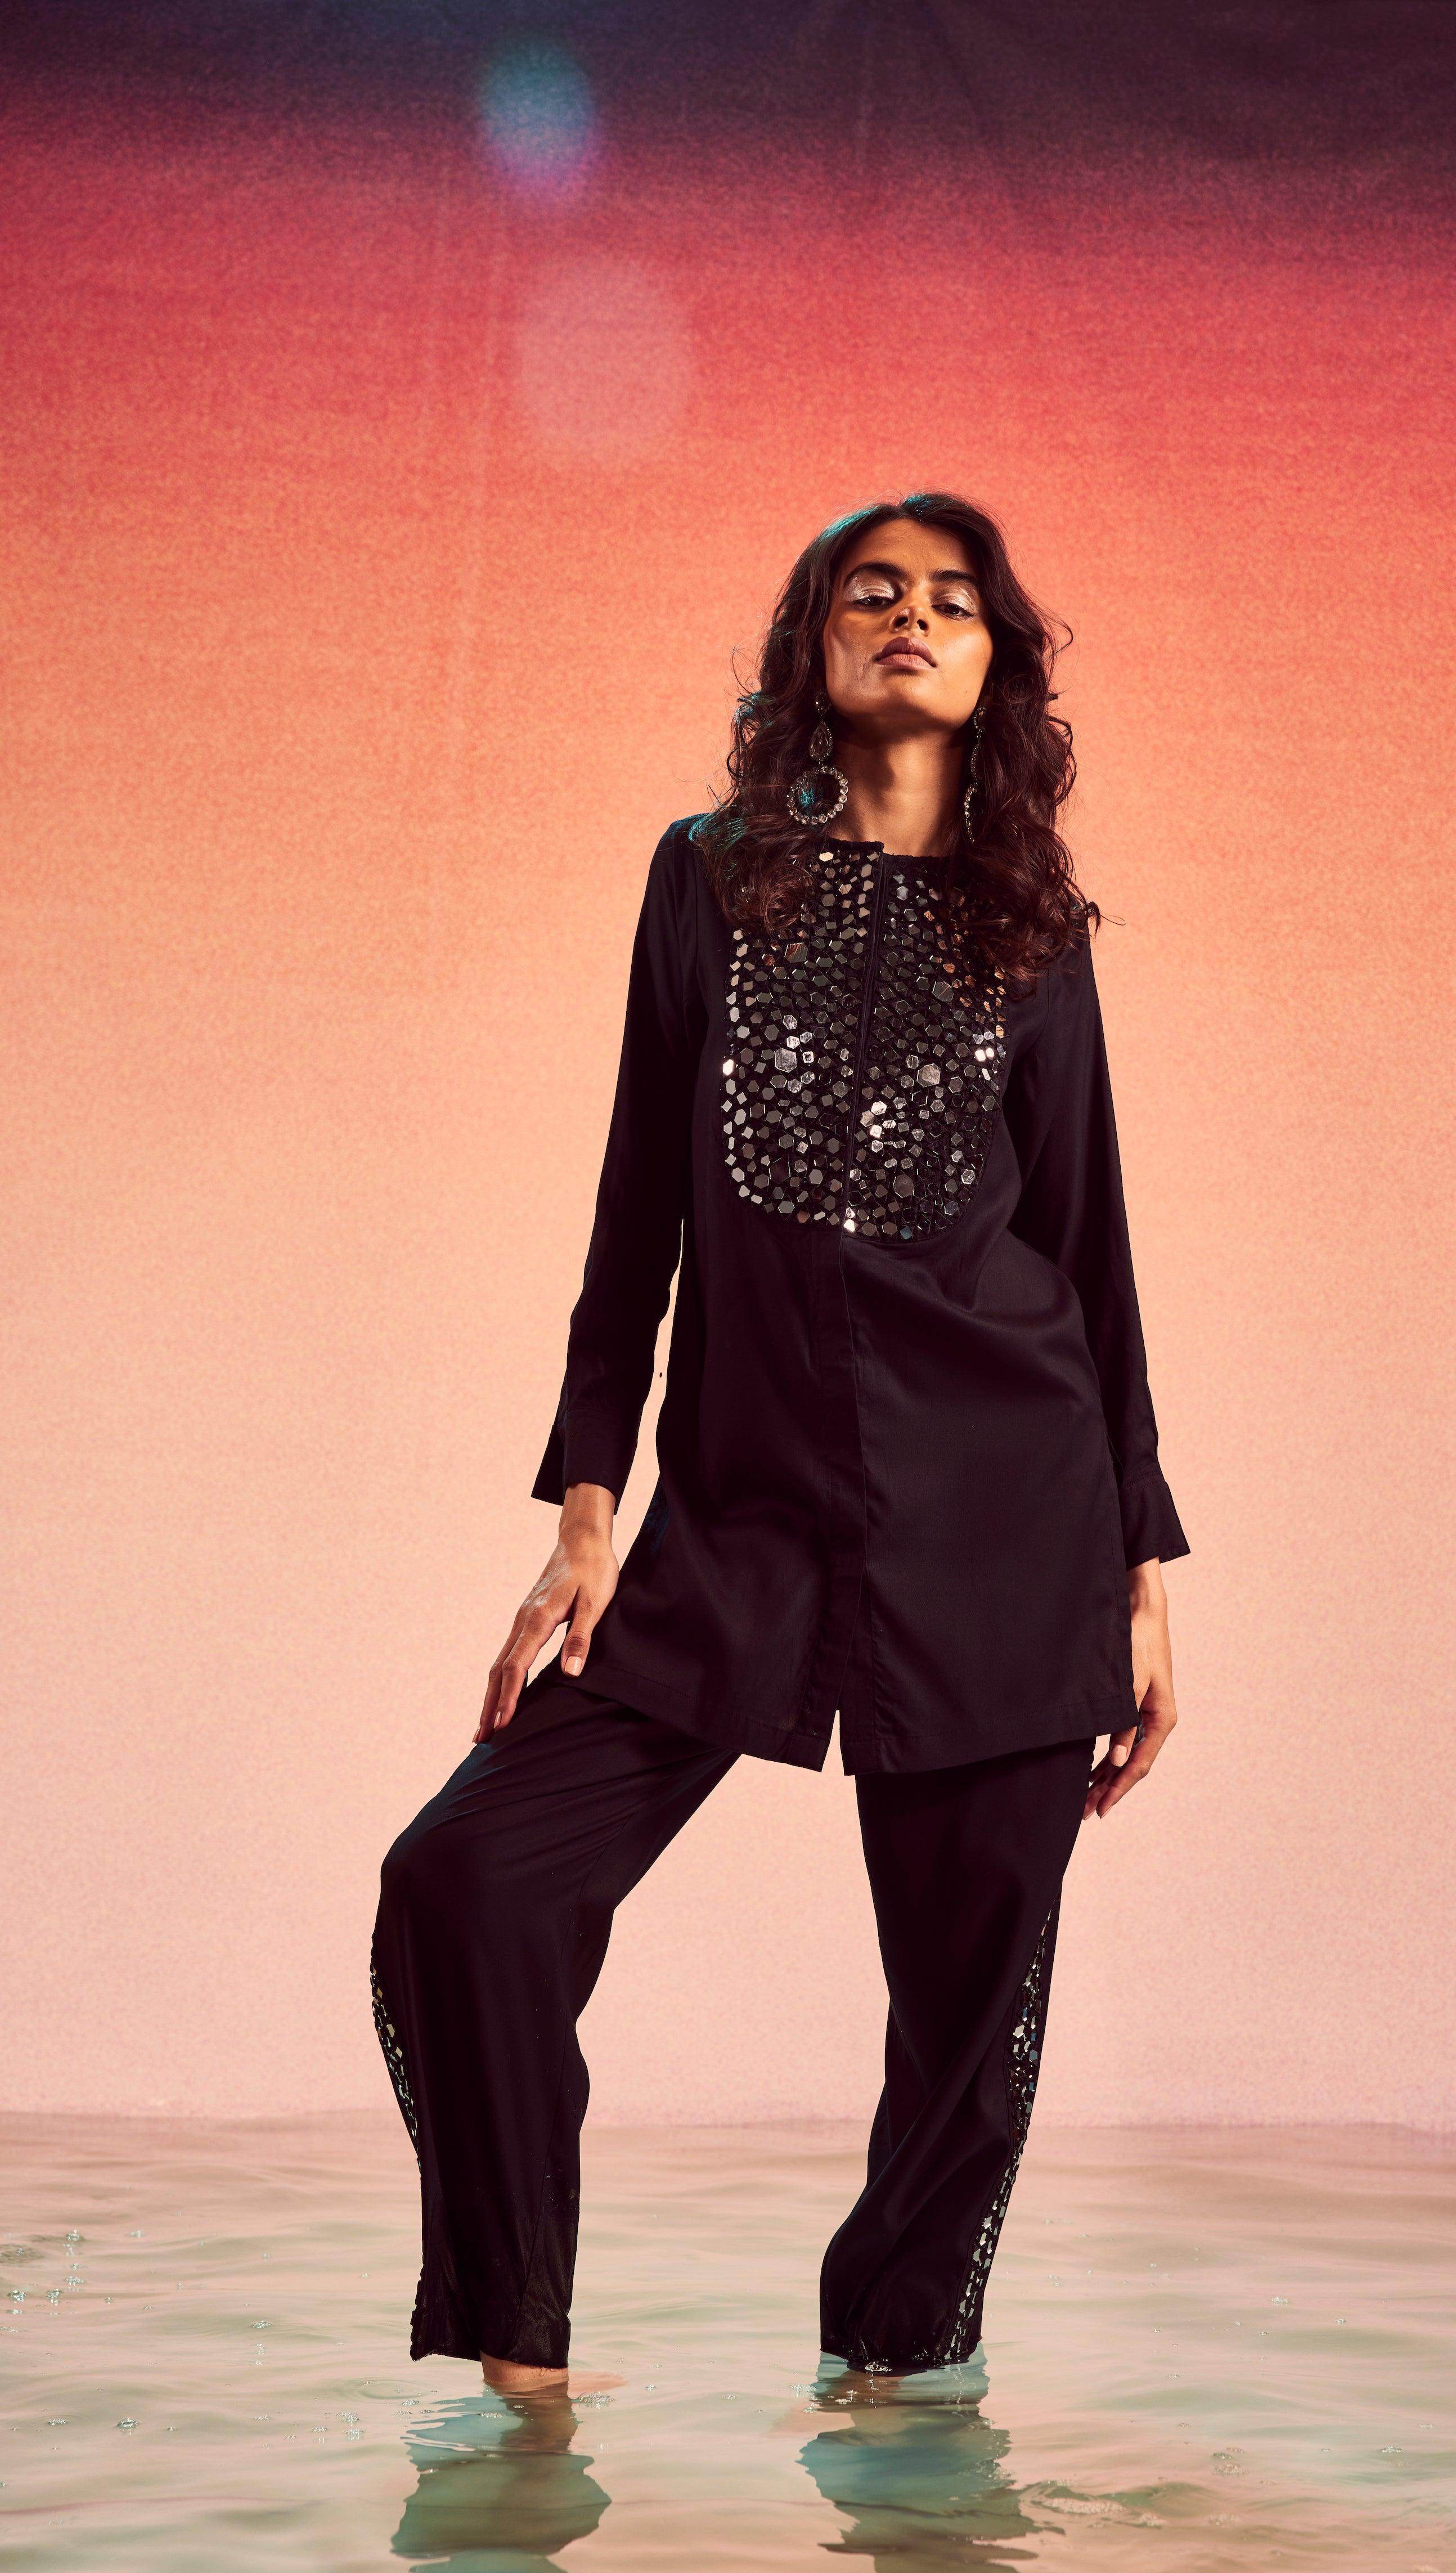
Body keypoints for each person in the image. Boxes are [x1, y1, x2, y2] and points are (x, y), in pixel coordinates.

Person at [371, 491, 1192, 2399]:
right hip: (742, 1515)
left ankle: (894, 2410)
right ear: (812, 646)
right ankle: (518, 2358)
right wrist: (588, 1510)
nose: (913, 616)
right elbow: (635, 1209)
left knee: (969, 2030)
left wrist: (1139, 1567)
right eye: (871, 592)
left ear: (996, 664)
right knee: (467, 1884)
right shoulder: (713, 880)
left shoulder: (1035, 928)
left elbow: (1091, 1250)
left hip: (1009, 1522)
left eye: (954, 600)